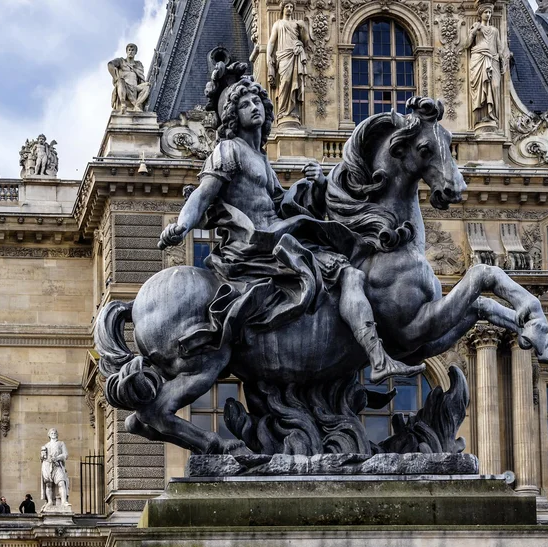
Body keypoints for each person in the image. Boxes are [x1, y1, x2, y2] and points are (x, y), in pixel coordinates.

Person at [158, 76, 424, 383]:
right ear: (234, 115)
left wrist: (317, 182)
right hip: (258, 243)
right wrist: (181, 225)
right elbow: (204, 194)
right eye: (244, 104)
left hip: (277, 235)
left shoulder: (261, 160)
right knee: (348, 273)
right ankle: (378, 359)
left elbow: (281, 204)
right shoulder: (228, 151)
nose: (253, 107)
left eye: (257, 101)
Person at [466, 4, 509, 126]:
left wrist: (503, 60)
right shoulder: (476, 27)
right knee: (480, 89)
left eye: (490, 12)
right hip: (479, 59)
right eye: (486, 12)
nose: (488, 15)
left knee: (495, 86)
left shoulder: (495, 30)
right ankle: (482, 117)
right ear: (480, 14)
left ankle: (492, 116)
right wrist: (473, 32)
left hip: (493, 60)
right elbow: (466, 44)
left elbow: (499, 48)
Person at [267, 2, 308, 124]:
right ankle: (283, 111)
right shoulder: (278, 24)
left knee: (294, 82)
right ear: (283, 8)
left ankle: (292, 111)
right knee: (284, 81)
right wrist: (269, 55)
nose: (289, 9)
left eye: (291, 7)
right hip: (283, 56)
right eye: (287, 7)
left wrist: (304, 29)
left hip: (294, 54)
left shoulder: (297, 24)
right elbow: (272, 42)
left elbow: (305, 42)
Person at [108, 43, 151, 113]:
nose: (130, 52)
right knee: (121, 81)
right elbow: (110, 65)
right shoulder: (121, 61)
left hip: (135, 87)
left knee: (147, 87)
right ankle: (123, 103)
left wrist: (145, 83)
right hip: (124, 85)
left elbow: (141, 78)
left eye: (132, 50)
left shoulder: (138, 64)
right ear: (126, 51)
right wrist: (115, 78)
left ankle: (137, 104)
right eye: (129, 50)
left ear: (135, 52)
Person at [40, 428, 71, 511]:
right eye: (52, 433)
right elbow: (42, 457)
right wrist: (42, 456)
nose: (53, 433)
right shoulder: (46, 445)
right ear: (49, 435)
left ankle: (64, 501)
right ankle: (50, 501)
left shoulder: (61, 443)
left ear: (57, 434)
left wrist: (57, 458)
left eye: (55, 432)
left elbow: (66, 455)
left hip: (57, 465)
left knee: (61, 482)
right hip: (47, 465)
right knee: (48, 484)